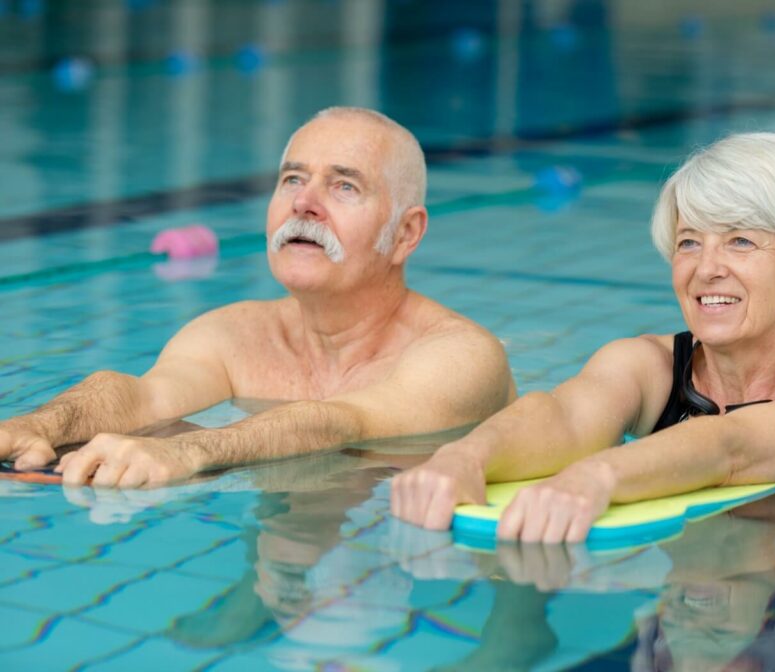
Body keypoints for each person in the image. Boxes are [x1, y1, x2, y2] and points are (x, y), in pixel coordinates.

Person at [391, 132, 775, 543]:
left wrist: (595, 477)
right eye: (689, 242)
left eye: (740, 240)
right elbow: (564, 417)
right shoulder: (645, 365)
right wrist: (462, 458)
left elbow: (732, 445)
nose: (706, 269)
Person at [0, 107, 515, 488]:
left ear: (405, 234)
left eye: (344, 187)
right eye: (293, 178)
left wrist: (189, 451)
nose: (303, 203)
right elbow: (143, 397)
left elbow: (340, 420)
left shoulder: (462, 356)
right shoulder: (234, 332)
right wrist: (36, 425)